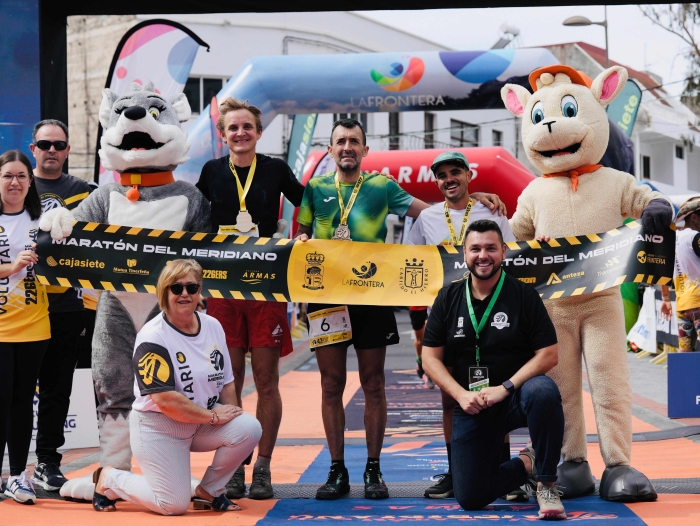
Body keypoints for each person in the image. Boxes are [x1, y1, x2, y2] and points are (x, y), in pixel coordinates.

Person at [295, 119, 504, 501]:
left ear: (364, 150)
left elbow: (440, 214)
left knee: (374, 383)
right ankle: (337, 471)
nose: (347, 147)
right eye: (340, 141)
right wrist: (303, 239)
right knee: (331, 385)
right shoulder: (315, 188)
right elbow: (301, 235)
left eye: (354, 141)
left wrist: (480, 198)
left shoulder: (381, 186)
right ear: (330, 149)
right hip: (326, 299)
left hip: (372, 297)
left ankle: (373, 471)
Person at [421, 220, 566, 521]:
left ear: (503, 251)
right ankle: (528, 463)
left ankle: (547, 483)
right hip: (472, 405)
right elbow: (430, 358)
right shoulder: (448, 297)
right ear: (464, 253)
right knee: (471, 497)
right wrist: (461, 395)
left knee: (543, 391)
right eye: (475, 248)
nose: (483, 255)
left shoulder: (524, 295)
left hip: (512, 396)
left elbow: (549, 354)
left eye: (490, 248)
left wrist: (507, 387)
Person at [92, 259, 262, 515]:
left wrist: (233, 416)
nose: (185, 294)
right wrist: (214, 416)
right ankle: (111, 478)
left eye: (191, 288)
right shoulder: (153, 336)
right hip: (159, 425)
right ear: (164, 291)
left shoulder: (213, 326)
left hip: (201, 419)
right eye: (176, 288)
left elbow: (227, 381)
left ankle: (211, 491)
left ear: (200, 291)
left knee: (249, 428)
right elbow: (166, 399)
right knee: (173, 505)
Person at [196, 98, 304, 500]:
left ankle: (263, 466)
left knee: (266, 380)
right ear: (223, 136)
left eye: (247, 127)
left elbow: (306, 202)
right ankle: (236, 465)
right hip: (224, 289)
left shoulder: (275, 168)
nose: (240, 133)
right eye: (233, 128)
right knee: (230, 382)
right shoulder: (210, 171)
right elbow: (197, 220)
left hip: (266, 287)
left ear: (258, 133)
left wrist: (303, 234)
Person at [406, 151, 515, 500]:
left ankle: (503, 470)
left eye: (455, 172)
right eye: (442, 175)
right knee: (450, 399)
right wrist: (419, 326)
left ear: (469, 175)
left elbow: (512, 257)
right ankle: (456, 472)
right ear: (436, 182)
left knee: (496, 396)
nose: (449, 179)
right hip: (447, 316)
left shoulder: (492, 210)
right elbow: (411, 267)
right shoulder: (426, 218)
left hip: (490, 313)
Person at [28, 119, 91, 492]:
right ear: (33, 147)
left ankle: (48, 462)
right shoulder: (16, 185)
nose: (52, 150)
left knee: (57, 387)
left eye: (59, 145)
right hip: (21, 305)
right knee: (14, 387)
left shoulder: (84, 191)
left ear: (68, 150)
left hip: (67, 305)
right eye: (44, 144)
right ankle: (16, 462)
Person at [0, 150, 51, 504]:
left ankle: (18, 476)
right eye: (7, 176)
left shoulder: (44, 219)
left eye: (21, 176)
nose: (14, 182)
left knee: (21, 404)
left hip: (35, 325)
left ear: (30, 181)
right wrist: (11, 267)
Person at [661, 196, 700, 351]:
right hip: (698, 302)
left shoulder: (671, 240)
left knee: (685, 353)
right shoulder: (695, 237)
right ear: (694, 218)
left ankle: (688, 377)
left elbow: (663, 273)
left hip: (683, 306)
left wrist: (666, 299)